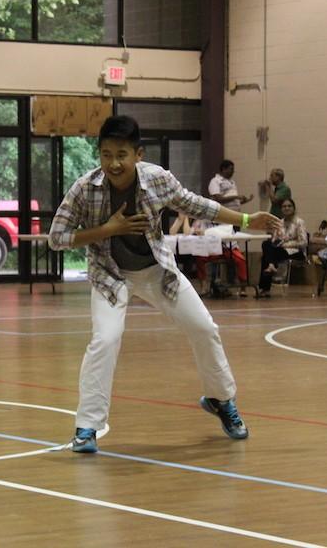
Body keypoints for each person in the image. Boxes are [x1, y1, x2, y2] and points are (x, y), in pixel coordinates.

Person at [47, 115, 280, 453]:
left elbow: (196, 204)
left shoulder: (157, 179)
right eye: (106, 154)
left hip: (158, 272)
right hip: (110, 276)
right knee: (105, 340)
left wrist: (246, 218)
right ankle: (87, 428)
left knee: (204, 328)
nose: (113, 163)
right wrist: (107, 230)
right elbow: (57, 238)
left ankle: (220, 400)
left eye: (121, 155)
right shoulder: (85, 187)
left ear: (138, 154)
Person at [170, 213, 248, 297]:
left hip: (228, 248)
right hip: (211, 250)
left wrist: (207, 232)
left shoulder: (226, 221)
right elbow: (187, 232)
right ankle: (203, 286)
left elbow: (222, 232)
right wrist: (185, 219)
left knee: (241, 260)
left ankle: (243, 288)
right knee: (199, 258)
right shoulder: (202, 221)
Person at [257, 198, 308, 297]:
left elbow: (304, 242)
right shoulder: (279, 223)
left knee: (266, 257)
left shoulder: (299, 222)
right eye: (284, 206)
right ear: (281, 209)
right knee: (266, 244)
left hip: (296, 252)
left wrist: (286, 244)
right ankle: (271, 265)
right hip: (280, 250)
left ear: (293, 208)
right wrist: (276, 242)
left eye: (289, 206)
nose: (287, 208)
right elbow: (274, 240)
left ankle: (265, 288)